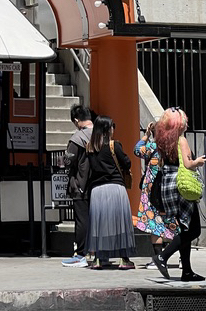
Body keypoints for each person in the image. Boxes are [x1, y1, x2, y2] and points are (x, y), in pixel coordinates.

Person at [151, 107, 205, 282]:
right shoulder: (181, 140)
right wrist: (199, 161)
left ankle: (187, 271)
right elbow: (188, 164)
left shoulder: (163, 141)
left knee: (183, 228)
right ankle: (163, 256)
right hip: (181, 186)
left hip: (168, 185)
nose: (187, 122)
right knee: (194, 229)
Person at [85, 115, 136, 270]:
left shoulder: (90, 147)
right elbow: (127, 162)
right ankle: (124, 259)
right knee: (120, 223)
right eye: (112, 126)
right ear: (107, 129)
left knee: (100, 225)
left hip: (97, 190)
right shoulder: (114, 145)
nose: (114, 129)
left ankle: (99, 259)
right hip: (115, 187)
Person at [134, 119, 178, 268]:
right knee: (173, 222)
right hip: (169, 189)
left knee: (154, 224)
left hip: (151, 191)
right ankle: (181, 258)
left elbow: (137, 149)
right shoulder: (172, 147)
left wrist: (146, 136)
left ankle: (157, 258)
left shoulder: (151, 147)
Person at [62, 105, 94, 267]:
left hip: (81, 185)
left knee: (82, 220)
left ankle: (80, 254)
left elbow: (68, 160)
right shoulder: (101, 135)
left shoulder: (77, 138)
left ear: (76, 121)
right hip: (99, 184)